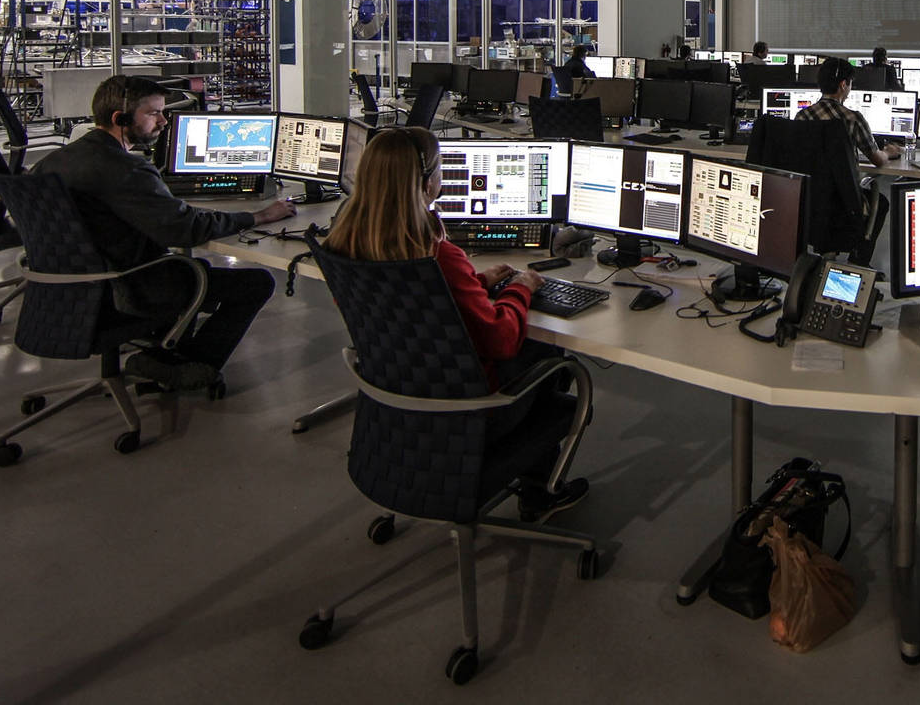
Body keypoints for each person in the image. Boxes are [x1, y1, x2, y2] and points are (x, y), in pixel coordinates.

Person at [323, 126, 586, 522]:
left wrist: (475, 285)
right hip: (467, 414)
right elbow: (500, 339)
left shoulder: (343, 244)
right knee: (547, 352)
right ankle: (539, 490)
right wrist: (521, 287)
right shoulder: (437, 254)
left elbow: (412, 307)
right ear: (428, 182)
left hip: (394, 403)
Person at [39, 75, 292, 389]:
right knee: (255, 282)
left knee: (198, 270)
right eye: (152, 114)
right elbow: (186, 230)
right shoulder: (126, 169)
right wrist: (258, 216)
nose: (162, 121)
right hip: (130, 288)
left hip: (72, 290)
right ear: (120, 119)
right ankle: (189, 364)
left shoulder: (53, 161)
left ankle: (167, 350)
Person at [796, 57, 895, 169]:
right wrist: (888, 152)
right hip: (843, 186)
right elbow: (878, 160)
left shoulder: (802, 116)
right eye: (850, 83)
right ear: (843, 85)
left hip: (810, 185)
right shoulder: (853, 119)